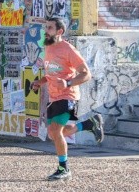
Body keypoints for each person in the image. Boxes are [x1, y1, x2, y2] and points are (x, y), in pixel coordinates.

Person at [31, 17, 104, 181]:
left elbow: (86, 74)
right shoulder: (48, 48)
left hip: (68, 96)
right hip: (54, 97)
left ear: (59, 31)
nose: (46, 31)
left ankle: (64, 169)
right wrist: (39, 82)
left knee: (56, 132)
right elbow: (51, 74)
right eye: (46, 27)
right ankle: (88, 124)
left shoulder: (68, 50)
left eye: (49, 28)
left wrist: (67, 82)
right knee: (54, 134)